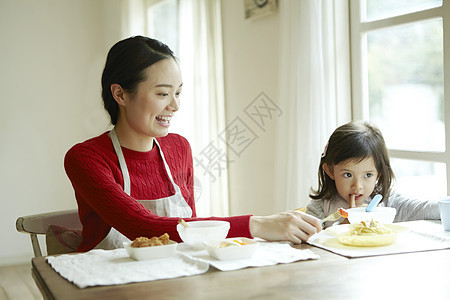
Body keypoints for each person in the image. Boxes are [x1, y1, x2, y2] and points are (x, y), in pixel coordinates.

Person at [65, 36, 321, 252]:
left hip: (173, 276)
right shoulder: (85, 158)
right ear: (120, 94)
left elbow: (188, 227)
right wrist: (259, 224)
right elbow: (141, 226)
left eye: (178, 93)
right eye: (163, 94)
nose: (175, 106)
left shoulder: (178, 148)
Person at [306, 121, 441, 228]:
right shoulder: (320, 207)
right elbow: (307, 243)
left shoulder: (387, 201)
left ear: (379, 174)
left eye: (368, 175)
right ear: (330, 170)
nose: (357, 187)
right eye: (347, 175)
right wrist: (346, 224)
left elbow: (425, 209)